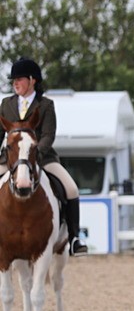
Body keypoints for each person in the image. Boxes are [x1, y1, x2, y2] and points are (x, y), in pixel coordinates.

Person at [1, 57, 88, 254]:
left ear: (32, 80)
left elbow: (48, 134)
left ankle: (74, 238)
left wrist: (35, 153)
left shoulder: (46, 105)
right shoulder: (6, 104)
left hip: (42, 157)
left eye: (19, 79)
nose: (15, 83)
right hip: (11, 160)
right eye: (13, 80)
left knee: (71, 189)